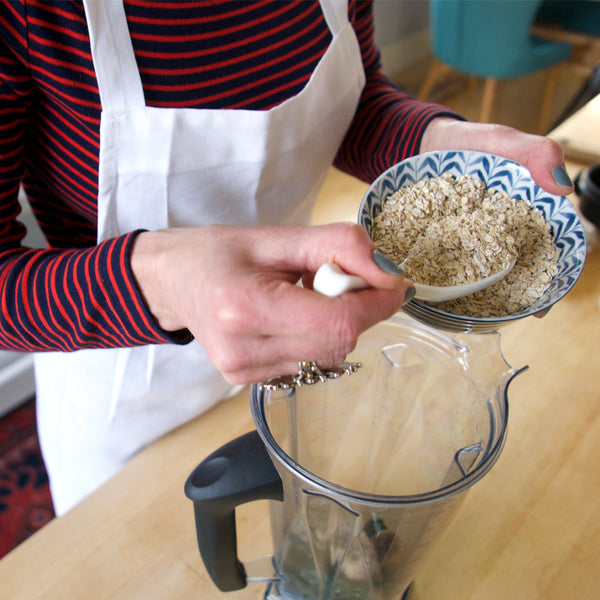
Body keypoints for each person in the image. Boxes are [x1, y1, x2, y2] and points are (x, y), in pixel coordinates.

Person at [0, 0, 574, 516]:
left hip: (302, 354)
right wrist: (171, 282)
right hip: (128, 397)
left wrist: (440, 146)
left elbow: (356, 99)